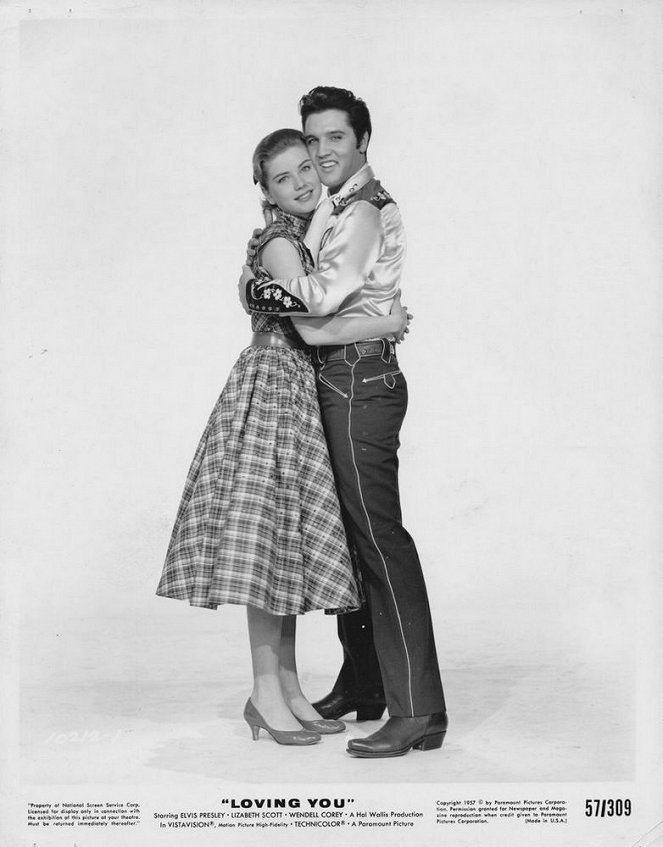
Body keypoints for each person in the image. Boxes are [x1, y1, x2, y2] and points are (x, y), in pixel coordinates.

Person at [157, 128, 409, 747]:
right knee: (266, 542)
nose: (300, 183)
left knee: (283, 547)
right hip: (273, 385)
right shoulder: (278, 243)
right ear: (264, 192)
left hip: (293, 387)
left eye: (305, 170)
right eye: (282, 178)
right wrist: (389, 319)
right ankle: (265, 695)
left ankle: (288, 689)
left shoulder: (299, 237)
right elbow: (316, 324)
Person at [240, 87, 448, 758]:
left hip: (358, 378)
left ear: (361, 140)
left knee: (377, 540)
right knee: (351, 539)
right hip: (338, 377)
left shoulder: (359, 210)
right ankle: (365, 684)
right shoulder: (330, 210)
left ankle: (416, 707)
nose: (323, 152)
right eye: (313, 139)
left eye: (334, 138)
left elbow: (316, 302)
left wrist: (255, 288)